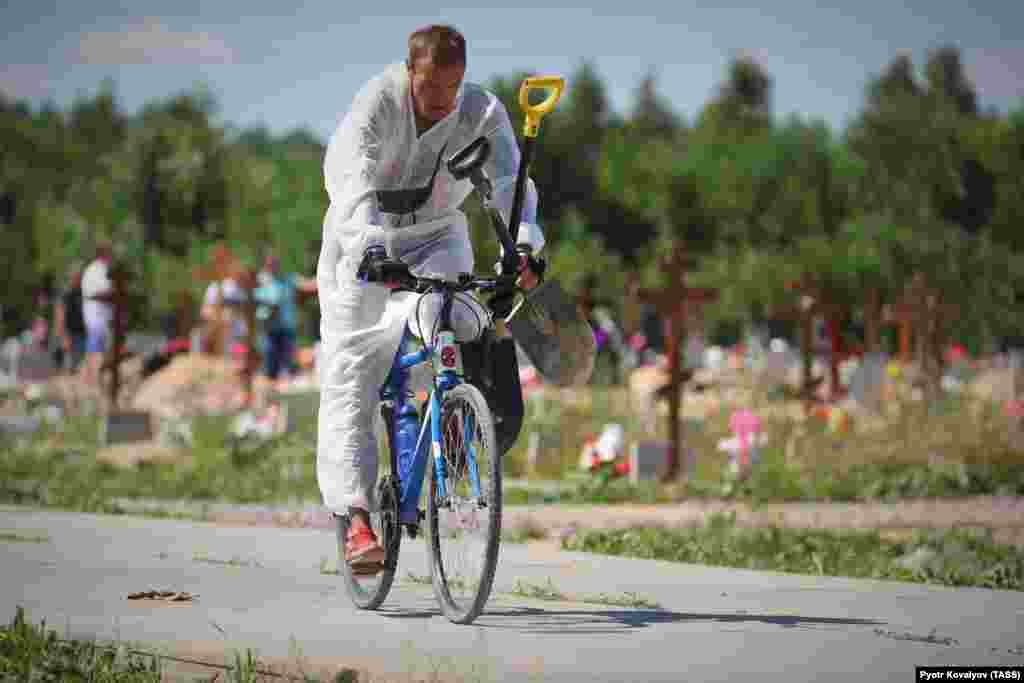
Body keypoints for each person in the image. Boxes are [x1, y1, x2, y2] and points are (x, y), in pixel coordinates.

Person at [316, 24, 544, 572]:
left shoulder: (481, 112)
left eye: (454, 86)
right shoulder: (376, 103)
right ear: (409, 71)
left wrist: (527, 247)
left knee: (463, 317)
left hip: (438, 233)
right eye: (430, 87)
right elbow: (350, 181)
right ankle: (357, 519)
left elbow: (512, 184)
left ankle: (464, 420)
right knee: (353, 372)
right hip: (363, 241)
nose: (443, 101)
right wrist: (370, 248)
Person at [254, 252, 317, 389]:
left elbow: (308, 285)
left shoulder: (288, 279)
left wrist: (326, 277)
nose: (274, 265)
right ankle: (271, 399)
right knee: (270, 367)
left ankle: (282, 395)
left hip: (287, 329)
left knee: (288, 365)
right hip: (269, 331)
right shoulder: (260, 281)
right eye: (270, 262)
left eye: (275, 262)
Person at [80, 241, 115, 386]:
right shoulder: (95, 270)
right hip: (96, 315)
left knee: (101, 349)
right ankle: (92, 379)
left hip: (103, 316)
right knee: (95, 348)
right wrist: (114, 293)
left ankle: (95, 378)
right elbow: (96, 292)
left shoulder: (103, 269)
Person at [52, 263, 87, 373]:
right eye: (76, 276)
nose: (79, 278)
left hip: (83, 335)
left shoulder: (84, 292)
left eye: (80, 276)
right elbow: (59, 316)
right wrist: (63, 336)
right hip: (70, 335)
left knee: (80, 367)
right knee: (70, 368)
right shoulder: (65, 294)